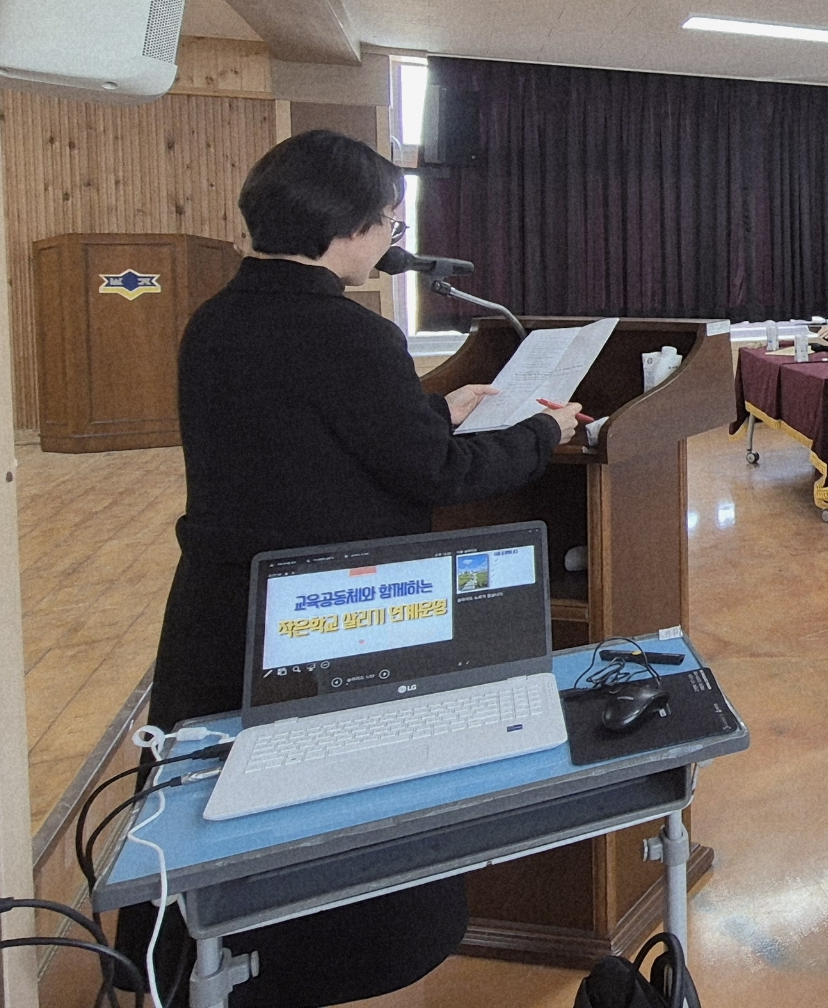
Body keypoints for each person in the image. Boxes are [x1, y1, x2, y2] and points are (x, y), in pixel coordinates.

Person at [132, 130, 581, 1004]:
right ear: (350, 227)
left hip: (218, 611)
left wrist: (432, 408)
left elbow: (303, 440)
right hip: (326, 620)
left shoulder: (215, 320)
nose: (390, 239)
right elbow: (435, 477)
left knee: (215, 816)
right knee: (319, 819)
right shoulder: (349, 332)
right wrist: (543, 432)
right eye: (388, 222)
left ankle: (196, 975)